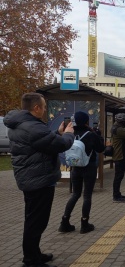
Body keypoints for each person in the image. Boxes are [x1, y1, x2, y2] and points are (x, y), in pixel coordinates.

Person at [3, 92, 75, 267]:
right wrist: (68, 134)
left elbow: (42, 142)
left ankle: (34, 253)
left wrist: (55, 133)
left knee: (34, 220)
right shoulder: (32, 127)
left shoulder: (23, 124)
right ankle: (31, 260)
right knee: (36, 222)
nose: (44, 110)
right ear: (36, 107)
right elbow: (61, 145)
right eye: (43, 107)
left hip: (32, 178)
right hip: (38, 179)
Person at [58, 111, 105, 234]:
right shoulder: (90, 134)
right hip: (89, 167)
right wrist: (98, 135)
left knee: (75, 194)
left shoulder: (70, 133)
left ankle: (64, 222)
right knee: (87, 195)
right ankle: (84, 224)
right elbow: (101, 148)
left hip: (75, 167)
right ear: (86, 121)